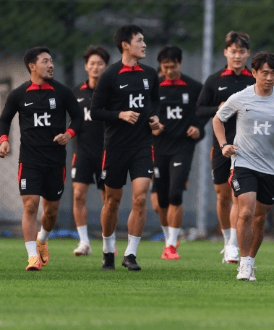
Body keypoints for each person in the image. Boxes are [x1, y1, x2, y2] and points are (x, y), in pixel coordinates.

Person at [213, 52, 274, 281]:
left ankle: (251, 261)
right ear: (253, 73)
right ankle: (244, 265)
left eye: (273, 73)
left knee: (259, 217)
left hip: (270, 167)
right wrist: (224, 145)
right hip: (243, 162)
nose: (269, 77)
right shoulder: (241, 97)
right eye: (264, 73)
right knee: (246, 211)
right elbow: (218, 119)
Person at [0, 47, 83, 271]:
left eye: (51, 61)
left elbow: (78, 117)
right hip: (30, 160)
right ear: (32, 66)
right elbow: (4, 119)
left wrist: (69, 134)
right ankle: (32, 257)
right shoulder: (19, 94)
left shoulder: (62, 92)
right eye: (45, 61)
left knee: (51, 211)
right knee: (30, 206)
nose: (51, 65)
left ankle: (42, 240)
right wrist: (4, 139)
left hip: (55, 160)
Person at [91, 25, 161, 271]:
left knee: (140, 196)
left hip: (142, 145)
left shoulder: (150, 74)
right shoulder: (110, 75)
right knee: (112, 201)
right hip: (116, 147)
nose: (144, 45)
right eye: (139, 40)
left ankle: (130, 254)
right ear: (125, 45)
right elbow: (95, 111)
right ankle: (108, 249)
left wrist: (154, 118)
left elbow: (155, 103)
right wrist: (119, 114)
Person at [196, 31, 255, 263]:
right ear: (225, 52)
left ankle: (233, 245)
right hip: (221, 146)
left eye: (242, 51)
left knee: (237, 195)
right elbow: (200, 110)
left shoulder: (254, 80)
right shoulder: (215, 80)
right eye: (233, 51)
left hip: (246, 148)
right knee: (222, 197)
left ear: (248, 53)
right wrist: (218, 108)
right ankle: (227, 239)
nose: (237, 55)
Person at [150, 46, 204, 260]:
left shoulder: (194, 88)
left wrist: (198, 127)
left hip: (182, 147)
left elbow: (204, 110)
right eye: (165, 67)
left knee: (175, 194)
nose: (169, 71)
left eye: (173, 66)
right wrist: (152, 123)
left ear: (180, 64)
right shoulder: (154, 89)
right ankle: (168, 239)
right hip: (158, 148)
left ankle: (171, 244)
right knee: (160, 201)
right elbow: (144, 112)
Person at [71, 45, 110, 256]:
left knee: (108, 199)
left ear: (106, 66)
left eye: (100, 64)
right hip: (83, 153)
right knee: (78, 194)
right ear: (86, 66)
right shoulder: (76, 93)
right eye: (92, 63)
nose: (95, 67)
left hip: (106, 153)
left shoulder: (111, 93)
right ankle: (84, 242)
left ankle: (107, 242)